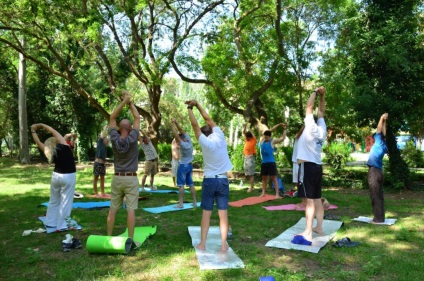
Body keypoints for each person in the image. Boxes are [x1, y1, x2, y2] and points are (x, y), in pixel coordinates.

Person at [185, 100, 233, 251]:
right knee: (223, 214)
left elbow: (194, 126)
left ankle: (203, 244)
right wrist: (197, 105)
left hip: (210, 181)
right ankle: (224, 245)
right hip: (223, 180)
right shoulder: (219, 135)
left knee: (206, 213)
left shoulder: (205, 143)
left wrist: (189, 108)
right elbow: (207, 119)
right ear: (212, 131)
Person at [293, 86, 327, 245]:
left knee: (310, 201)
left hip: (308, 167)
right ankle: (319, 227)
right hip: (318, 167)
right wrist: (322, 96)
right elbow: (321, 112)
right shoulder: (322, 129)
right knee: (318, 199)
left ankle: (308, 232)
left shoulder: (311, 126)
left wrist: (314, 91)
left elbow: (309, 107)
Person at [107, 90, 141, 244]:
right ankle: (130, 239)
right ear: (129, 128)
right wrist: (129, 101)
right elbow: (137, 117)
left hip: (117, 177)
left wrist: (123, 101)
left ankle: (108, 237)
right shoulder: (133, 137)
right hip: (131, 178)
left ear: (120, 128)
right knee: (131, 210)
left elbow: (112, 117)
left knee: (113, 208)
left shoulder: (114, 137)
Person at [30, 123, 76, 231]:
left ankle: (50, 222)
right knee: (66, 201)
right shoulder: (64, 145)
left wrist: (33, 131)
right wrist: (41, 125)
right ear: (56, 140)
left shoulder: (48, 150)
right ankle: (63, 225)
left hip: (56, 176)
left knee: (54, 200)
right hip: (68, 176)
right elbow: (52, 130)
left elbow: (37, 142)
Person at [367, 113, 389, 223]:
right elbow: (383, 133)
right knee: (380, 195)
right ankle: (381, 217)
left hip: (374, 171)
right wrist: (384, 121)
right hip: (379, 172)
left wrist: (381, 118)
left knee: (375, 196)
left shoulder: (379, 142)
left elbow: (380, 131)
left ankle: (377, 219)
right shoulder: (384, 145)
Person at [171, 118, 197, 208]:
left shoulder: (182, 144)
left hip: (183, 166)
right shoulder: (189, 141)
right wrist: (176, 122)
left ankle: (181, 204)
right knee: (191, 184)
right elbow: (181, 131)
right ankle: (194, 202)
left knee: (181, 185)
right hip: (190, 165)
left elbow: (176, 135)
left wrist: (172, 125)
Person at [259, 124, 286, 198]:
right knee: (264, 179)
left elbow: (282, 138)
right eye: (265, 137)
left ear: (270, 137)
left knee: (274, 178)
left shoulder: (272, 142)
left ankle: (277, 194)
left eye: (267, 137)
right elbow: (269, 131)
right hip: (264, 163)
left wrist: (284, 129)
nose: (266, 138)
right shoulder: (262, 141)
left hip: (271, 163)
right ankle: (263, 193)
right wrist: (279, 125)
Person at [93, 125, 110, 198]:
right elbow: (103, 135)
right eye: (107, 139)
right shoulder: (100, 143)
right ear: (103, 140)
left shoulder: (105, 147)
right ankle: (96, 193)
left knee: (102, 178)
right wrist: (105, 128)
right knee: (96, 178)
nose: (108, 141)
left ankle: (102, 193)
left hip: (102, 164)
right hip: (97, 163)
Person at [292, 125, 306, 209]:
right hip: (296, 161)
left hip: (302, 162)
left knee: (302, 180)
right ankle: (300, 193)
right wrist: (305, 125)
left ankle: (304, 199)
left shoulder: (305, 139)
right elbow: (299, 133)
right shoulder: (297, 137)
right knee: (297, 181)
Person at [242, 124, 257, 192]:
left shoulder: (253, 140)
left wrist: (248, 127)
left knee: (251, 174)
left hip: (250, 158)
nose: (246, 138)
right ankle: (251, 186)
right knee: (247, 174)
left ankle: (251, 187)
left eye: (248, 137)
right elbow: (243, 133)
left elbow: (253, 134)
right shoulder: (247, 140)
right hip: (245, 158)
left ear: (250, 137)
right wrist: (245, 127)